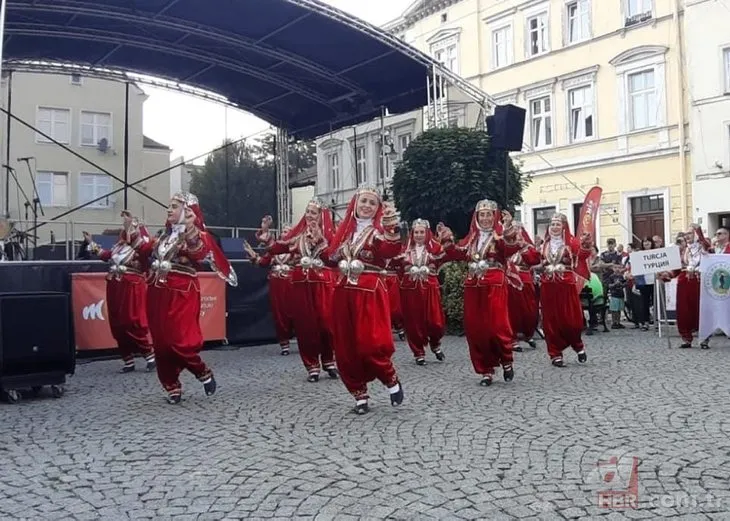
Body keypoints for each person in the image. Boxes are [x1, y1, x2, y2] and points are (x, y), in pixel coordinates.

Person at [133, 192, 238, 404]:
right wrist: (132, 230)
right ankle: (171, 385)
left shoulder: (197, 235)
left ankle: (202, 372)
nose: (169, 209)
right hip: (157, 290)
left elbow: (199, 254)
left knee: (178, 341)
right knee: (161, 343)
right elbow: (142, 250)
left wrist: (190, 228)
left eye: (174, 206)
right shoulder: (164, 236)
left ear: (187, 211)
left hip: (182, 292)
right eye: (168, 206)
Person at [324, 184, 404, 415]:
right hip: (343, 291)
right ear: (355, 204)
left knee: (371, 343)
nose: (367, 206)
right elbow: (330, 258)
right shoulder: (345, 232)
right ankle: (359, 393)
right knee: (345, 345)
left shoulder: (379, 231)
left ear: (378, 208)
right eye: (364, 201)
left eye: (372, 203)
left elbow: (390, 250)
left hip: (370, 291)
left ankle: (390, 378)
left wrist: (391, 227)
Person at [250, 199, 338, 382]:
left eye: (313, 213)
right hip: (301, 282)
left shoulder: (330, 236)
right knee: (306, 326)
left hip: (323, 283)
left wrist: (320, 241)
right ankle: (312, 366)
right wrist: (266, 235)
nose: (309, 216)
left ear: (321, 216)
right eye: (307, 212)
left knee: (326, 324)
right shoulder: (297, 236)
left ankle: (329, 360)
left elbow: (332, 258)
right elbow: (279, 247)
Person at [437, 200, 520, 386]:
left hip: (494, 282)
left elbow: (510, 249)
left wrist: (507, 232)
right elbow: (457, 253)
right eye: (481, 215)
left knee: (497, 327)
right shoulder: (471, 238)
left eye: (488, 214)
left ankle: (506, 358)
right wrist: (448, 241)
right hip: (473, 284)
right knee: (476, 329)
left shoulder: (500, 236)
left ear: (494, 216)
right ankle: (486, 370)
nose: (485, 218)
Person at [83, 212, 156, 373]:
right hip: (115, 286)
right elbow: (105, 255)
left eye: (129, 227)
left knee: (132, 320)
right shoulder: (119, 247)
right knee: (117, 323)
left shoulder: (142, 247)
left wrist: (131, 226)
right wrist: (91, 242)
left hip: (132, 286)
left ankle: (149, 355)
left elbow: (145, 250)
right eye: (125, 227)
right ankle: (128, 359)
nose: (126, 230)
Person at [538, 212, 593, 367]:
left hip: (565, 285)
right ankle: (555, 353)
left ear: (564, 226)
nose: (554, 227)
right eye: (552, 224)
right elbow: (537, 261)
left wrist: (586, 244)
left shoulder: (571, 242)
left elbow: (582, 255)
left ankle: (577, 344)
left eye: (558, 224)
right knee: (550, 321)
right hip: (548, 286)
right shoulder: (544, 245)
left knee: (571, 320)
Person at [395, 218, 447, 365]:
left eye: (421, 232)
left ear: (427, 233)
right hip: (411, 291)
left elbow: (444, 259)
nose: (418, 235)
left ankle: (435, 344)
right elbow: (396, 266)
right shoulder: (405, 249)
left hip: (429, 288)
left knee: (435, 322)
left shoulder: (434, 248)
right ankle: (418, 352)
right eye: (416, 232)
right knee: (413, 322)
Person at [662, 225, 711, 349]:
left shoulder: (703, 247)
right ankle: (686, 338)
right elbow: (677, 269)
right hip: (684, 282)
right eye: (686, 234)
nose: (687, 236)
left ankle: (704, 338)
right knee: (684, 310)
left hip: (700, 280)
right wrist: (667, 274)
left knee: (701, 309)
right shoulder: (683, 250)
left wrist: (699, 230)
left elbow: (706, 244)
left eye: (690, 233)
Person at [253, 217, 295, 356]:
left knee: (296, 313)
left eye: (288, 231)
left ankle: (304, 342)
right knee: (279, 313)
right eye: (283, 231)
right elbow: (263, 262)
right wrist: (253, 256)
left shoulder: (296, 249)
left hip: (293, 285)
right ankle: (284, 344)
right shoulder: (273, 249)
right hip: (277, 285)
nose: (285, 233)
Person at [505, 223, 542, 351]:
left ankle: (528, 334)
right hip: (511, 281)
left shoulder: (528, 247)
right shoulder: (507, 247)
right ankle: (512, 338)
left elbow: (535, 260)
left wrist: (523, 248)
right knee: (513, 311)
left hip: (525, 280)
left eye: (518, 233)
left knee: (529, 310)